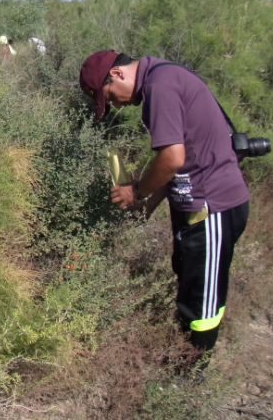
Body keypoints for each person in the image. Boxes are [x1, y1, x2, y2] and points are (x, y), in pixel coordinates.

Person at [79, 50, 249, 356]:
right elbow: (176, 164)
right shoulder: (161, 78)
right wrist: (149, 203)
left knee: (202, 301)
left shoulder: (160, 85)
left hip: (210, 206)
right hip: (197, 207)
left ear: (116, 74)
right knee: (190, 277)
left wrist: (136, 193)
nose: (116, 104)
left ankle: (191, 374)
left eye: (110, 97)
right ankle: (183, 354)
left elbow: (172, 159)